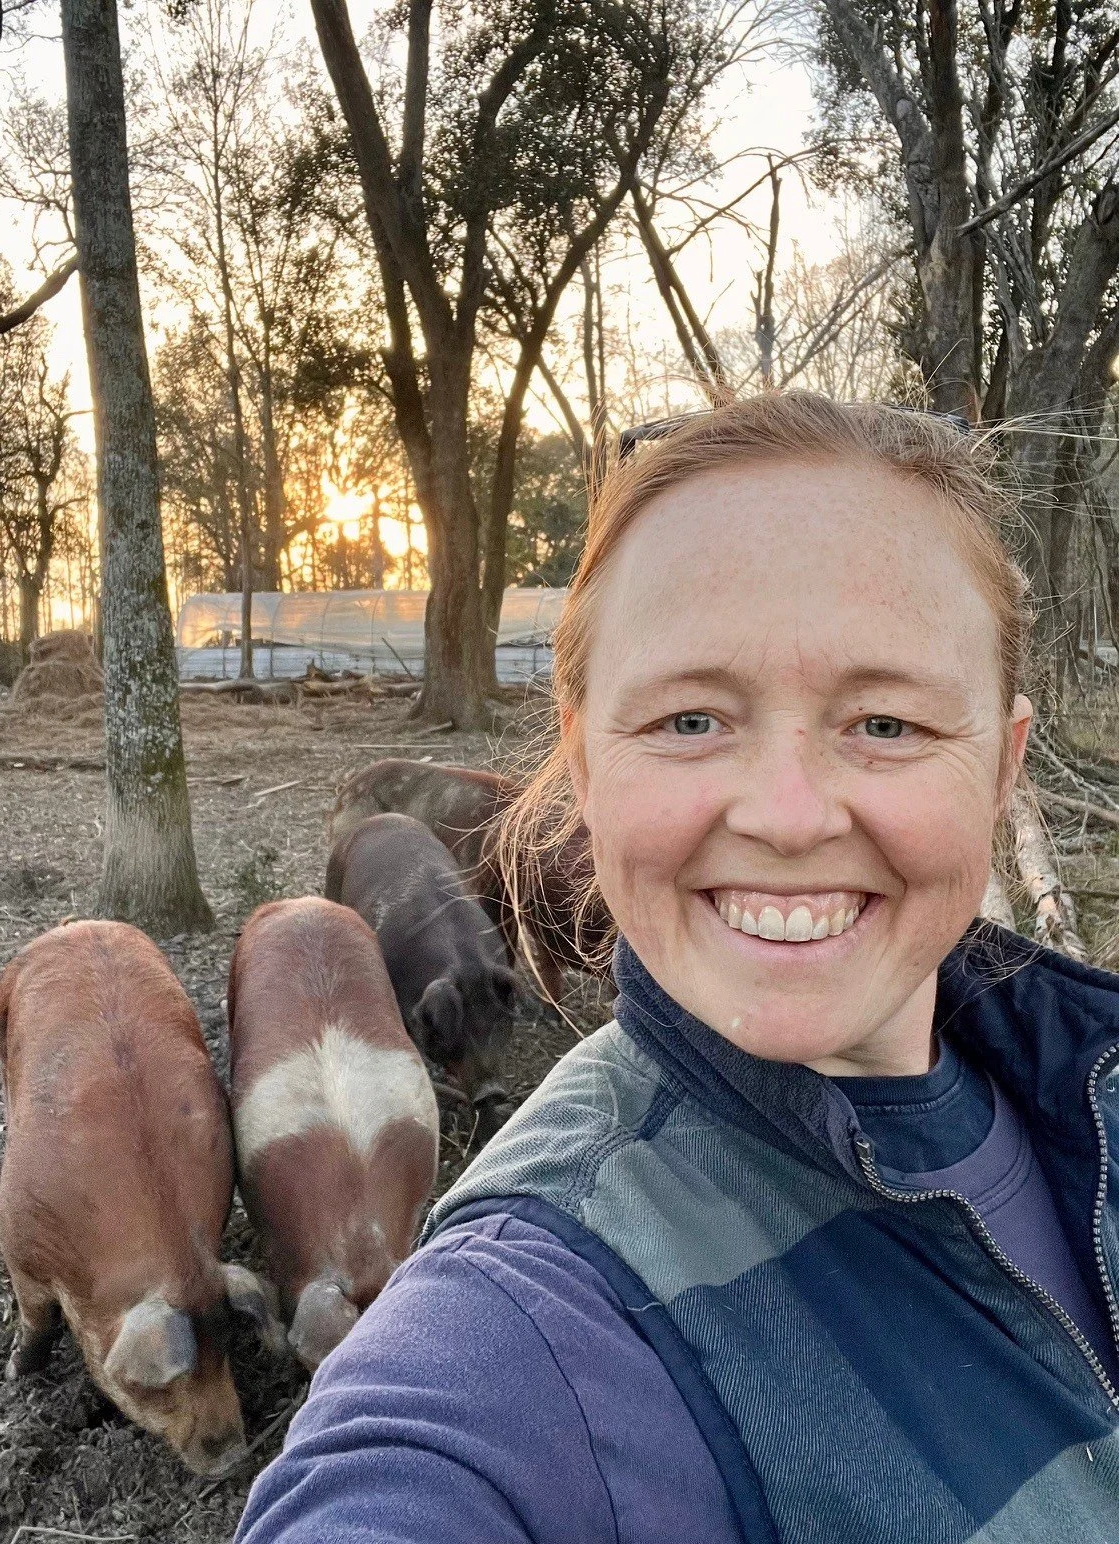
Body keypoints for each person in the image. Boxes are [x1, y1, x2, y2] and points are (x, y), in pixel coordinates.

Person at [236, 393, 1119, 1543]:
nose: (791, 815)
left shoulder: (1086, 1068)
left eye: (888, 723)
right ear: (585, 762)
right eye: (692, 719)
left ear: (1002, 768)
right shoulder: (524, 1341)